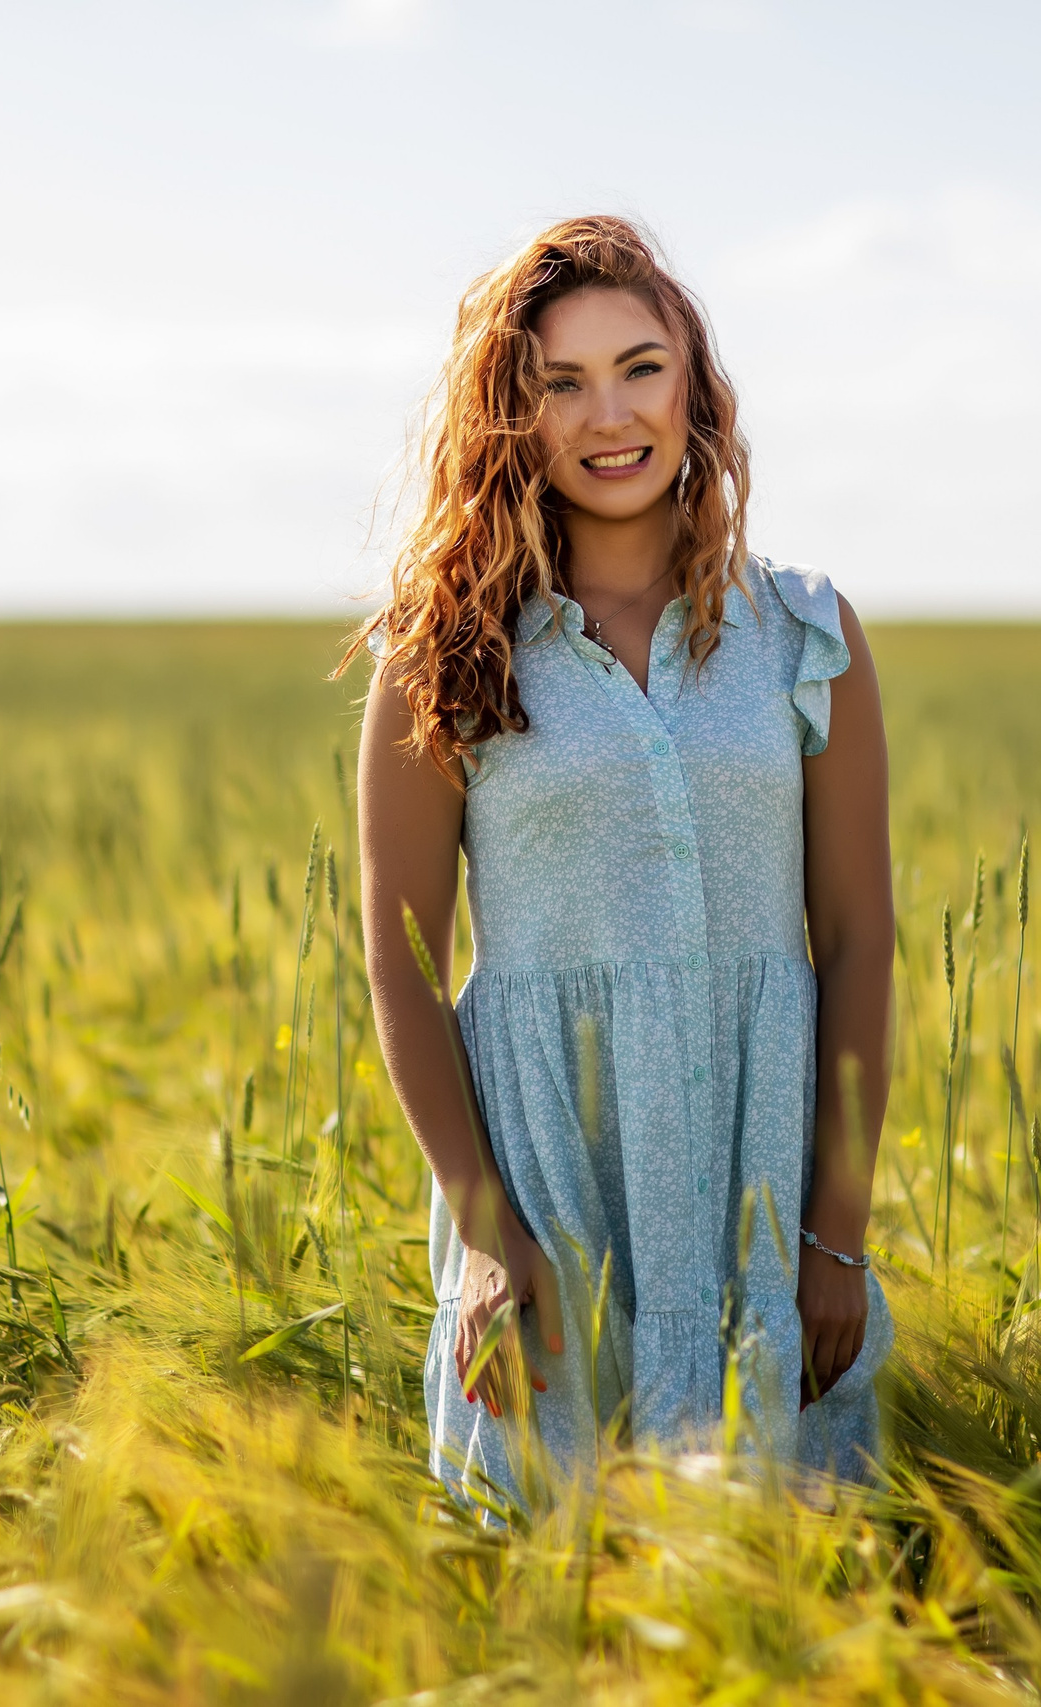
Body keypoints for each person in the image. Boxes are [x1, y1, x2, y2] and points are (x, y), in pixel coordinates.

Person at [353, 215, 896, 1509]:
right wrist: (488, 1240)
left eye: (641, 368)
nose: (612, 414)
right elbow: (402, 959)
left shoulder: (804, 634)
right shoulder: (446, 651)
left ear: (695, 390)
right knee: (551, 1585)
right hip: (547, 1185)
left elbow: (859, 937)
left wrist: (836, 1231)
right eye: (562, 382)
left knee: (788, 1589)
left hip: (755, 1189)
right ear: (512, 415)